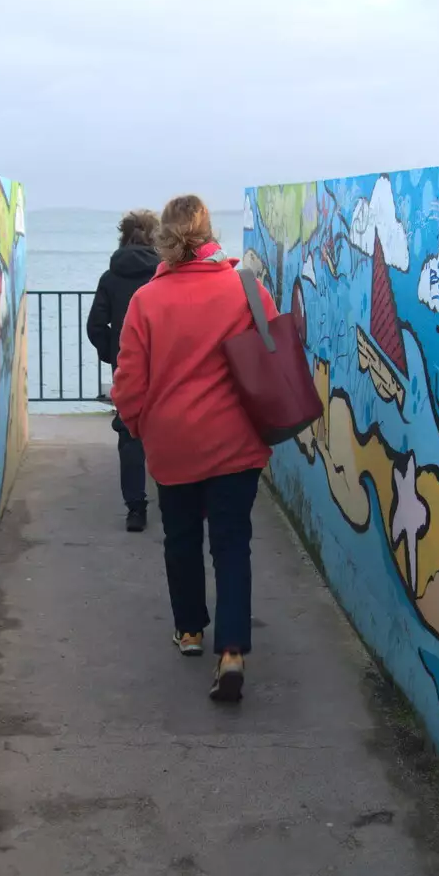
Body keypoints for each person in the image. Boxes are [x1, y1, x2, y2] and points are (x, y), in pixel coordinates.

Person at [111, 195, 273, 702]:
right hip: (235, 442)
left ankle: (189, 630)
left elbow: (129, 382)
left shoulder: (147, 301)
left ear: (164, 238)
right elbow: (274, 352)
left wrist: (137, 424)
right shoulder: (245, 289)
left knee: (180, 537)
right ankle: (231, 651)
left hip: (173, 442)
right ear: (208, 234)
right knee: (231, 542)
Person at [86, 209, 161, 531]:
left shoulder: (111, 277)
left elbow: (95, 325)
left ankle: (136, 508)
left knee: (130, 432)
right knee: (169, 429)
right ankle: (178, 498)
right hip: (165, 363)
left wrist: (113, 353)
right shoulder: (164, 273)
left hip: (128, 366)